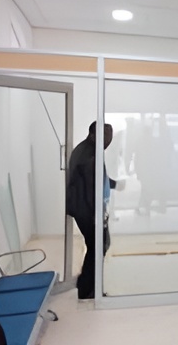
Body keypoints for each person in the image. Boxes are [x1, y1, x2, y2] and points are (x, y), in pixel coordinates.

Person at [66, 121, 117, 300]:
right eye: (105, 137)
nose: (108, 141)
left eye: (110, 137)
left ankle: (86, 287)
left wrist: (115, 184)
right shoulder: (89, 156)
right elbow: (90, 189)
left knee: (98, 247)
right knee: (98, 247)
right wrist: (96, 216)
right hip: (88, 211)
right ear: (93, 135)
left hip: (86, 210)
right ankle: (88, 290)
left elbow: (99, 180)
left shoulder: (90, 151)